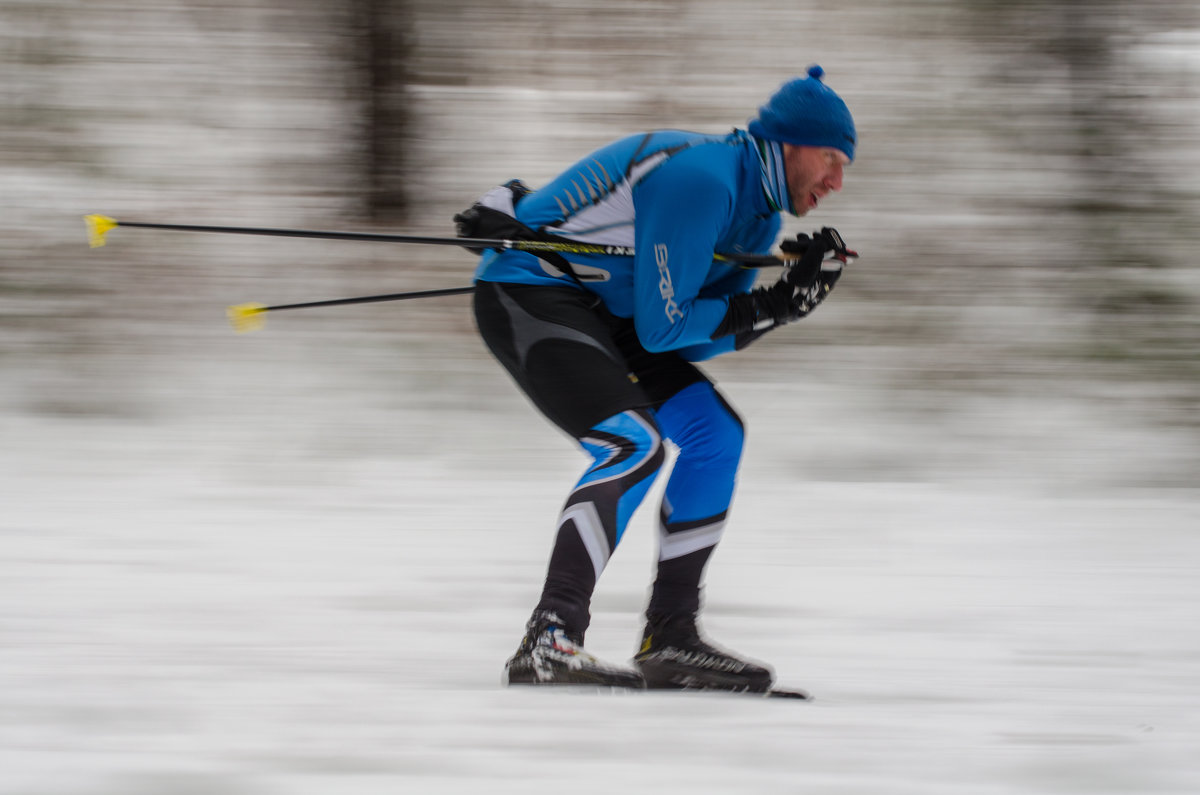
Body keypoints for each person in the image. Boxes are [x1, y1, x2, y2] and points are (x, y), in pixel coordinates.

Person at [460, 65, 857, 692]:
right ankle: (550, 637)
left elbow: (690, 332)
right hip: (531, 289)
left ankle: (671, 636)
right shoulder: (705, 179)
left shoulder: (759, 218)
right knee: (633, 443)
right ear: (791, 145)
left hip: (611, 316)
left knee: (716, 436)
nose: (837, 181)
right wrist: (769, 305)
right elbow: (667, 326)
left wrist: (783, 305)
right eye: (832, 159)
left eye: (845, 168)